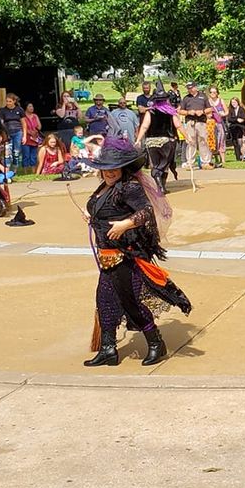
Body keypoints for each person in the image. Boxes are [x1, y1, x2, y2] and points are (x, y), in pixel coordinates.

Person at [82, 137, 192, 368]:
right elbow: (101, 208)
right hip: (107, 257)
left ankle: (155, 343)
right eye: (106, 169)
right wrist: (90, 215)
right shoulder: (104, 187)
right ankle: (108, 349)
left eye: (114, 168)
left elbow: (146, 212)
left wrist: (125, 224)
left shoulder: (130, 187)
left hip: (127, 256)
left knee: (130, 302)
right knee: (104, 301)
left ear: (123, 167)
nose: (110, 172)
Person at [135, 82, 183, 194]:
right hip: (167, 140)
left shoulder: (150, 111)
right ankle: (161, 184)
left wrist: (138, 139)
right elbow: (178, 125)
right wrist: (187, 137)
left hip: (152, 141)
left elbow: (145, 126)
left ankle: (160, 185)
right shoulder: (171, 112)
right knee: (164, 164)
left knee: (156, 164)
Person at [179, 82, 213, 169]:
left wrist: (202, 112)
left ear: (195, 87)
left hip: (201, 121)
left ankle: (205, 162)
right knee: (190, 141)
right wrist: (188, 112)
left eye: (191, 88)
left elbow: (210, 108)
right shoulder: (186, 98)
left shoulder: (203, 96)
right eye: (188, 88)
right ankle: (190, 162)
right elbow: (180, 111)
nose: (190, 89)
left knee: (203, 141)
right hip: (190, 121)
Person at [0, 94, 27, 170]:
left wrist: (24, 136)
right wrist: (1, 135)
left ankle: (15, 170)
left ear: (14, 101)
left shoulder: (19, 110)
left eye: (10, 101)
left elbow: (24, 123)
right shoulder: (3, 111)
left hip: (18, 132)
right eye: (7, 101)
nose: (8, 103)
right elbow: (1, 123)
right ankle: (7, 169)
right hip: (7, 133)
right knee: (7, 152)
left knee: (16, 152)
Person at [207, 85, 228, 168]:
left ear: (217, 93)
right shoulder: (208, 102)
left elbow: (226, 111)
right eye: (211, 92)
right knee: (212, 141)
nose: (213, 94)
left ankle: (223, 160)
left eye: (214, 92)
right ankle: (214, 159)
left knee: (221, 140)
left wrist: (223, 114)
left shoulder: (221, 100)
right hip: (211, 124)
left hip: (219, 123)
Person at [22, 102, 43, 169]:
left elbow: (39, 126)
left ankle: (33, 170)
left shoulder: (35, 116)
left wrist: (36, 131)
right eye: (30, 106)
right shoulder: (23, 116)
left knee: (33, 155)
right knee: (26, 155)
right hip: (27, 138)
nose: (32, 108)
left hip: (35, 138)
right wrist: (30, 132)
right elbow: (22, 127)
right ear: (26, 108)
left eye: (32, 106)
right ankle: (26, 170)